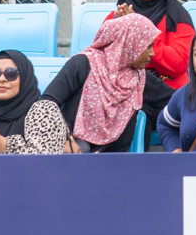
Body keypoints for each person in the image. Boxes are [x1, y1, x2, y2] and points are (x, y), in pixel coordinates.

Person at [45, 12, 161, 152]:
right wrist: (64, 138)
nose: (152, 53)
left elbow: (177, 103)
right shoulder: (83, 64)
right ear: (129, 43)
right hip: (71, 153)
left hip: (114, 163)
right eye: (148, 46)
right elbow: (47, 103)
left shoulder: (140, 77)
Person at [115, 0, 194, 128]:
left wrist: (141, 33)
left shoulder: (177, 16)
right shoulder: (115, 17)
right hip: (125, 94)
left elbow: (179, 63)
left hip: (167, 97)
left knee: (141, 81)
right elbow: (104, 63)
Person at [0, 51, 70, 154]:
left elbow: (44, 163)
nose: (1, 79)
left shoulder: (45, 110)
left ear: (25, 77)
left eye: (11, 73)